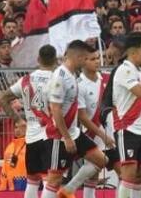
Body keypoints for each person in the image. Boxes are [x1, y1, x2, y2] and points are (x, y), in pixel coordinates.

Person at [45, 40, 109, 198]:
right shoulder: (60, 76)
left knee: (101, 160)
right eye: (86, 58)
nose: (87, 61)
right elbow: (55, 108)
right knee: (54, 179)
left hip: (74, 132)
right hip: (59, 135)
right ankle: (64, 191)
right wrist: (66, 137)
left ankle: (68, 190)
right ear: (79, 57)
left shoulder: (72, 74)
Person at [0, 44, 57, 198]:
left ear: (38, 59)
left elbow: (2, 98)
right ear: (55, 60)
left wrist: (18, 120)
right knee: (51, 181)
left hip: (31, 138)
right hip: (50, 136)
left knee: (32, 181)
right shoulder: (57, 80)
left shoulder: (26, 79)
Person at [111, 33, 141, 198]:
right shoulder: (125, 70)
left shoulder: (137, 70)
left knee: (139, 175)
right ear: (133, 52)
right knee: (128, 174)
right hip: (127, 128)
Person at [72, 48, 114, 198]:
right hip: (92, 134)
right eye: (92, 59)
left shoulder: (108, 79)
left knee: (94, 174)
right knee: (95, 170)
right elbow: (83, 118)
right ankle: (69, 189)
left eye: (98, 58)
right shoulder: (78, 85)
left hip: (111, 132)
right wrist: (103, 136)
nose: (97, 61)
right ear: (83, 61)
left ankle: (68, 190)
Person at [0, 119, 28, 191]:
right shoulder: (10, 147)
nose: (17, 130)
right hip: (13, 188)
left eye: (21, 127)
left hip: (29, 185)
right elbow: (4, 169)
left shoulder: (32, 145)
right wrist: (2, 187)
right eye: (16, 127)